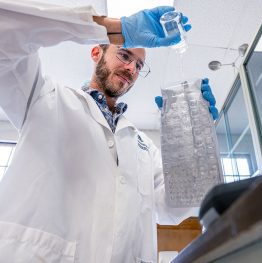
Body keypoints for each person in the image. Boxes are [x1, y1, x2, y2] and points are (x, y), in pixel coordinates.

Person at [0, 0, 217, 262]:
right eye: (125, 55)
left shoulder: (144, 147)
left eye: (139, 66)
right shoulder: (44, 97)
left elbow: (175, 207)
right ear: (96, 53)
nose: (131, 69)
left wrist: (193, 138)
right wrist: (115, 29)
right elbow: (5, 34)